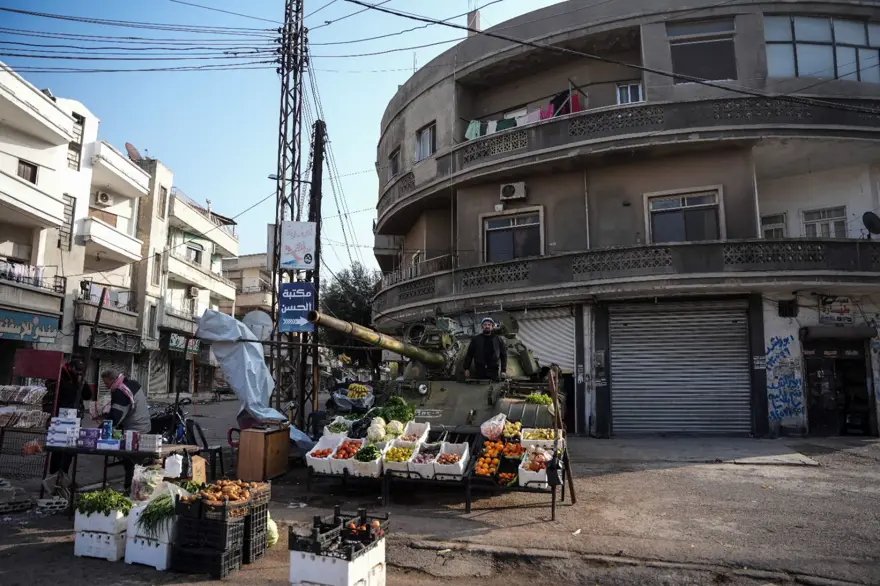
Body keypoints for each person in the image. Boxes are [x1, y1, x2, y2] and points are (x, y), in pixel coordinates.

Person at [100, 370, 151, 493]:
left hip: (135, 430)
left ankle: (131, 491)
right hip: (144, 427)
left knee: (131, 464)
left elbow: (116, 416)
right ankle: (136, 490)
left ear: (113, 380)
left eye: (106, 383)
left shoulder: (120, 392)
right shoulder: (131, 384)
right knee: (137, 464)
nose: (106, 386)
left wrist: (99, 431)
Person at [48, 358, 92, 476]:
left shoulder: (78, 378)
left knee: (70, 448)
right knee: (58, 447)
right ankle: (54, 474)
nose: (78, 373)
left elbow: (88, 395)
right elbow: (56, 391)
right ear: (71, 367)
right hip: (60, 417)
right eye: (76, 370)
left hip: (74, 417)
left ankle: (63, 473)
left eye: (80, 372)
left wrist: (82, 382)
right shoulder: (59, 375)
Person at [463, 317, 508, 382]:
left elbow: (503, 355)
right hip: (479, 370)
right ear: (482, 326)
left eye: (489, 325)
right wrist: (466, 368)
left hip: (493, 370)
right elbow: (469, 354)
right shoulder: (476, 339)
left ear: (492, 326)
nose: (487, 326)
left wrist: (503, 370)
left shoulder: (498, 340)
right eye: (485, 325)